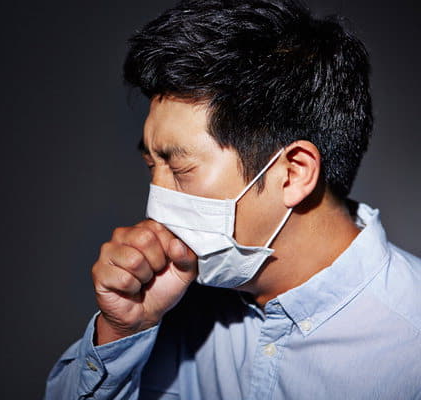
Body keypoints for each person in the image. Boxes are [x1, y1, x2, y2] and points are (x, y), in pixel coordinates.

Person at [44, 0, 421, 398]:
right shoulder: (167, 305)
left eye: (180, 167)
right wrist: (122, 331)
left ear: (293, 172)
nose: (155, 208)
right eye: (151, 166)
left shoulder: (411, 342)